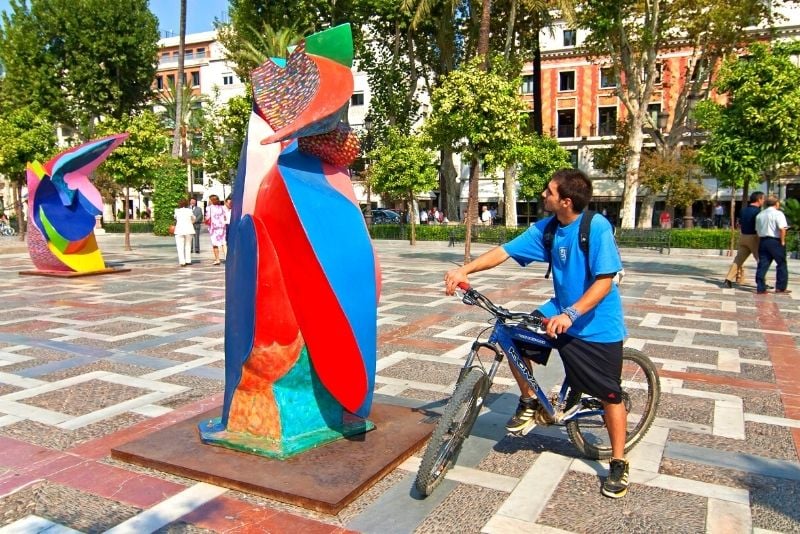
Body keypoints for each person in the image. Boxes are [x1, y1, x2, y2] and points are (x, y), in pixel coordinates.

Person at [444, 169, 629, 498]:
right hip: (559, 310)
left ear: (565, 201)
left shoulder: (595, 227)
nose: (544, 194)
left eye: (549, 191)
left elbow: (604, 281)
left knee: (610, 395)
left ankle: (618, 461)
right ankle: (529, 401)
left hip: (597, 324)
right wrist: (464, 270)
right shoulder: (549, 229)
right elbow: (505, 251)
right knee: (510, 333)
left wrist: (571, 314)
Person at [723, 192, 764, 289]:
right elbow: (759, 227)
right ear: (759, 199)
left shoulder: (743, 210)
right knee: (762, 260)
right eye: (763, 199)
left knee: (738, 259)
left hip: (743, 236)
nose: (763, 201)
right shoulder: (758, 212)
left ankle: (728, 279)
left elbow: (740, 224)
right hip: (753, 237)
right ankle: (762, 282)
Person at [755, 196, 791, 295]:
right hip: (775, 241)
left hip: (763, 241)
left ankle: (761, 288)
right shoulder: (778, 214)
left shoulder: (760, 214)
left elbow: (757, 231)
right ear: (776, 203)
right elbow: (782, 229)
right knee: (781, 264)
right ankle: (780, 287)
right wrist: (782, 241)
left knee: (762, 264)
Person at [205, 195, 227, 265]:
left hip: (214, 228)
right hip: (222, 227)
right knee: (223, 243)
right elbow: (225, 217)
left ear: (211, 200)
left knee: (215, 244)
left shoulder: (209, 208)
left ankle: (217, 259)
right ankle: (227, 257)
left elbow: (207, 217)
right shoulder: (222, 207)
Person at [173, 199, 196, 267]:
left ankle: (182, 261)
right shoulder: (189, 210)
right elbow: (193, 218)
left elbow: (175, 218)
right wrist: (191, 222)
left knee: (180, 247)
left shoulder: (177, 210)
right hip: (188, 229)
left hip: (179, 230)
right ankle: (188, 260)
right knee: (188, 245)